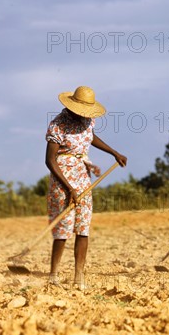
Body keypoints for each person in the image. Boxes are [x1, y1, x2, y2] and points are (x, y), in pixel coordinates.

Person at [46, 86, 127, 290]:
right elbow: (49, 161)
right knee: (63, 227)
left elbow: (91, 137)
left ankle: (79, 276)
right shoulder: (57, 125)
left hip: (82, 176)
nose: (83, 115)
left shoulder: (88, 121)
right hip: (62, 178)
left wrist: (114, 152)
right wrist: (69, 188)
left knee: (83, 227)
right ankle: (53, 274)